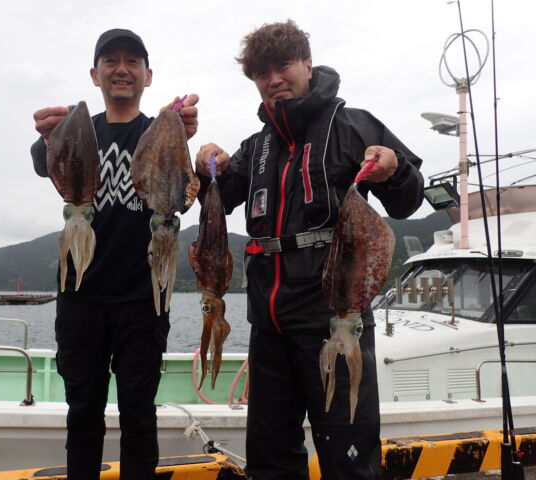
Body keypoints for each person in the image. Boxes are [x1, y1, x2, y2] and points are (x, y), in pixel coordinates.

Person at [195, 20, 424, 480]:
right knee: (270, 462)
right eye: (262, 73)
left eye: (283, 65)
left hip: (335, 323)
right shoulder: (257, 147)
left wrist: (395, 169)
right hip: (268, 328)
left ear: (307, 63)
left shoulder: (354, 125)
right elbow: (217, 198)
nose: (274, 79)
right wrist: (208, 166)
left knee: (349, 464)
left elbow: (407, 200)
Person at [30, 28, 199, 480]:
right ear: (95, 74)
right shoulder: (79, 128)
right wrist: (46, 135)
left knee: (139, 412)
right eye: (111, 61)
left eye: (132, 61)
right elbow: (42, 159)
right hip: (80, 296)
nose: (121, 69)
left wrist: (182, 132)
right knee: (82, 409)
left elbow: (182, 196)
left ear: (148, 75)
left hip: (144, 297)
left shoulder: (160, 132)